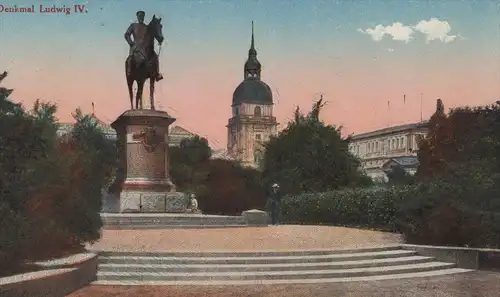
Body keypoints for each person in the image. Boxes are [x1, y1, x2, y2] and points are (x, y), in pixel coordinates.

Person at [124, 11, 163, 81]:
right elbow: (126, 34)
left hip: (145, 48)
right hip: (135, 47)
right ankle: (129, 71)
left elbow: (151, 35)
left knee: (155, 57)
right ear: (137, 17)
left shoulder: (146, 27)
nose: (141, 17)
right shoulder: (133, 25)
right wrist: (131, 43)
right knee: (130, 59)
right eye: (139, 16)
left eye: (142, 16)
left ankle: (156, 74)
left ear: (144, 17)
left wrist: (159, 40)